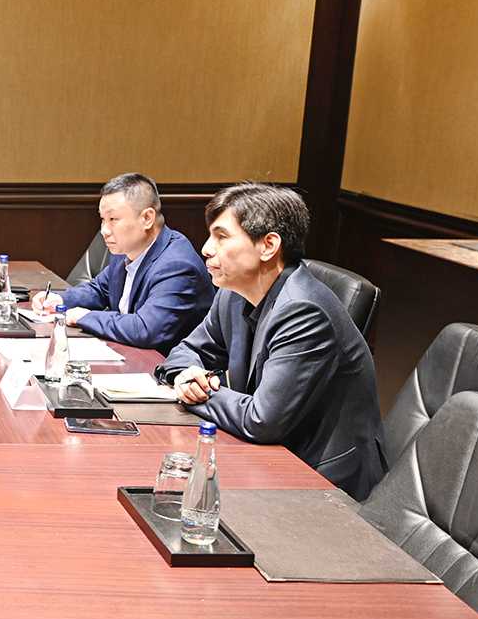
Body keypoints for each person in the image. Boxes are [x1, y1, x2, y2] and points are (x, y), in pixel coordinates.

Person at [160, 183, 386, 500]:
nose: (206, 249)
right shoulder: (232, 294)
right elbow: (186, 351)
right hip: (268, 458)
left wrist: (200, 392)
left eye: (222, 237)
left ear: (268, 245)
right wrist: (184, 375)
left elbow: (262, 420)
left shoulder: (303, 311)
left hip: (322, 481)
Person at [31, 173, 213, 351]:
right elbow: (99, 289)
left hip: (168, 365)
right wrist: (60, 300)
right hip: (130, 353)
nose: (104, 230)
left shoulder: (177, 265)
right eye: (103, 219)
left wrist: (84, 317)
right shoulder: (126, 250)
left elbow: (146, 329)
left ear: (147, 218)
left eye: (113, 219)